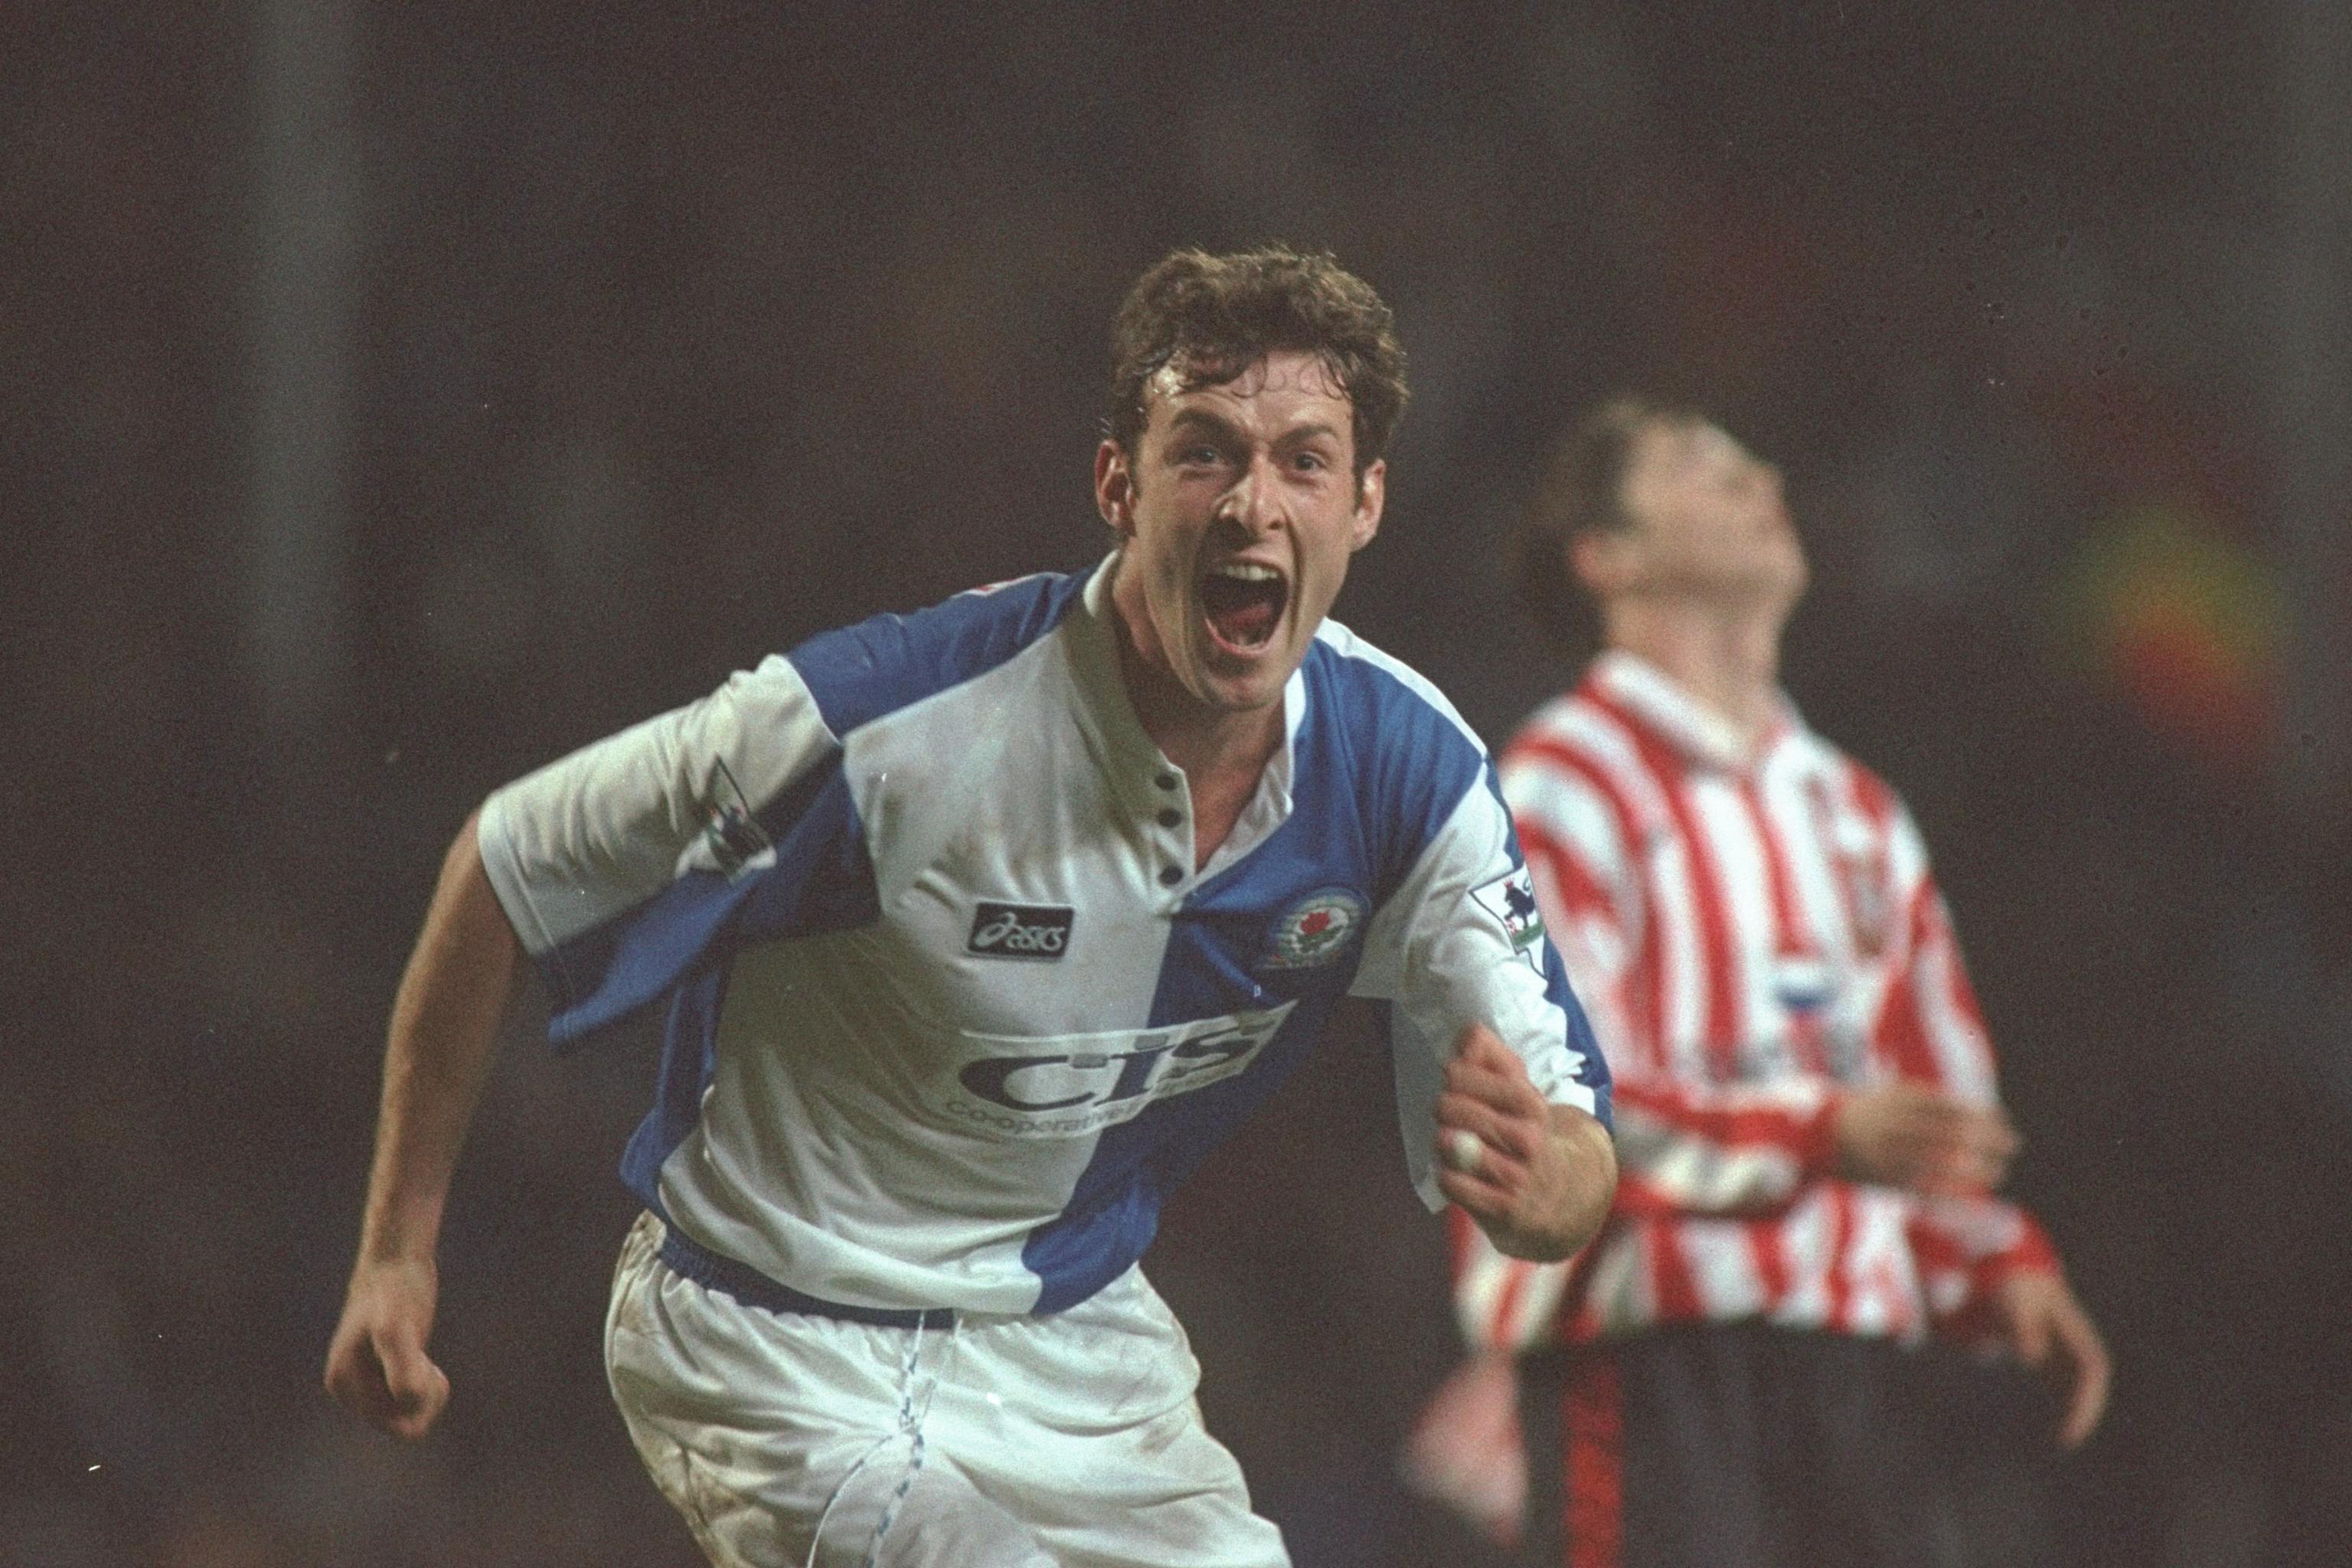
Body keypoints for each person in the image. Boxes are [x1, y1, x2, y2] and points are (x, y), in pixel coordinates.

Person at [322, 246, 1617, 1568]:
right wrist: (396, 1256)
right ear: (1118, 483)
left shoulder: (1409, 774)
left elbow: (1572, 1136)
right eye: (1206, 451)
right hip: (774, 1333)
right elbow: (506, 863)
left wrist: (1539, 1190)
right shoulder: (885, 727)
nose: (1252, 505)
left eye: (1304, 460)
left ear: (1365, 505)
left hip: (1072, 1349)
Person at [1403, 398, 2109, 1567]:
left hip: (1852, 1368)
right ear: (1608, 557)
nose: (1759, 479)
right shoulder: (1549, 792)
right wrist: (1823, 1136)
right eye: (1701, 465)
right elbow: (1560, 1111)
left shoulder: (1858, 812)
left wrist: (1999, 1259)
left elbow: (1938, 1099)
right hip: (1650, 1359)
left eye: (1754, 463)